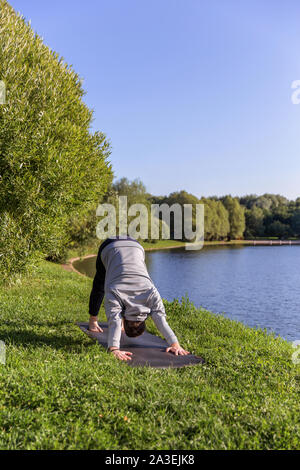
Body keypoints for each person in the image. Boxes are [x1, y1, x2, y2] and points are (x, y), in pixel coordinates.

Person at [88, 235, 190, 361]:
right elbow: (114, 319)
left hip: (136, 246)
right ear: (124, 319)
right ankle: (93, 322)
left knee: (100, 285)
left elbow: (161, 320)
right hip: (110, 247)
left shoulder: (152, 292)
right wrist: (113, 348)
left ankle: (93, 321)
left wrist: (175, 344)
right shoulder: (115, 292)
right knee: (99, 285)